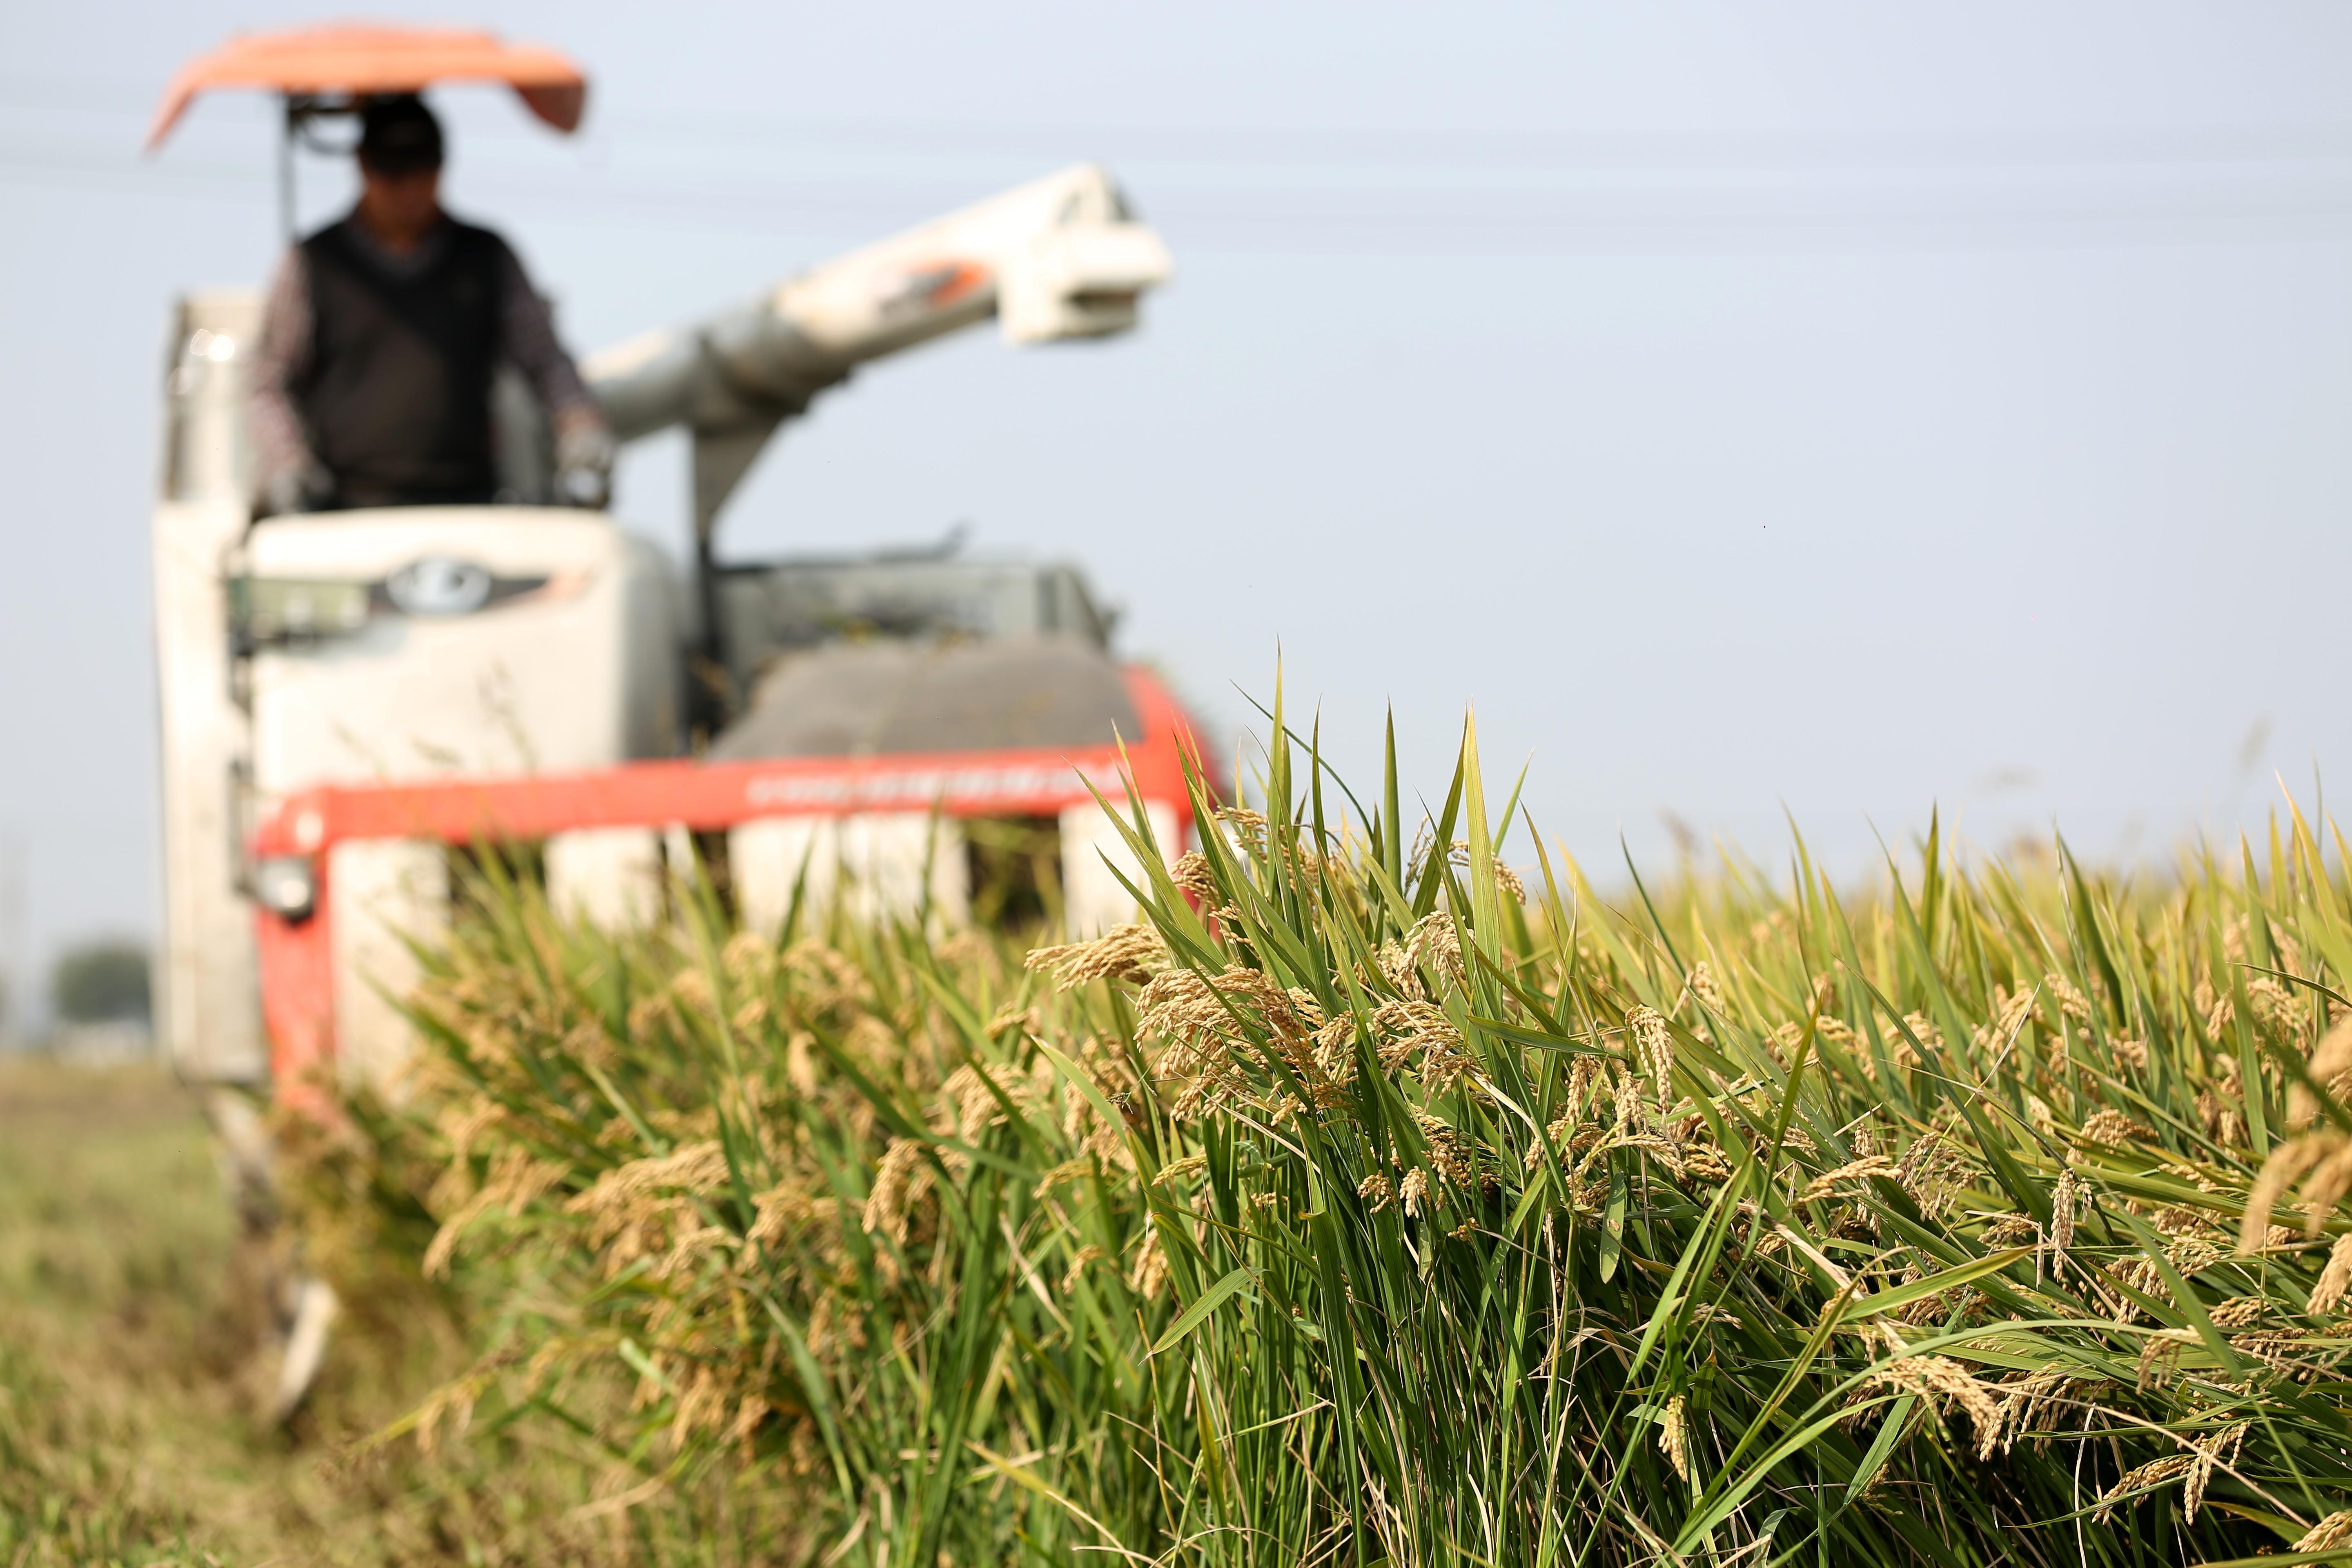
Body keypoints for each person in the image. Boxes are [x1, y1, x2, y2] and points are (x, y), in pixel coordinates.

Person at [248, 94, 612, 515]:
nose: (408, 191)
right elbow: (268, 381)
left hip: (468, 507)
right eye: (393, 174)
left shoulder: (485, 257)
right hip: (346, 513)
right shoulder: (315, 264)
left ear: (442, 168)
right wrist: (287, 467)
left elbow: (546, 361)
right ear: (364, 167)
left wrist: (581, 430)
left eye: (421, 172)